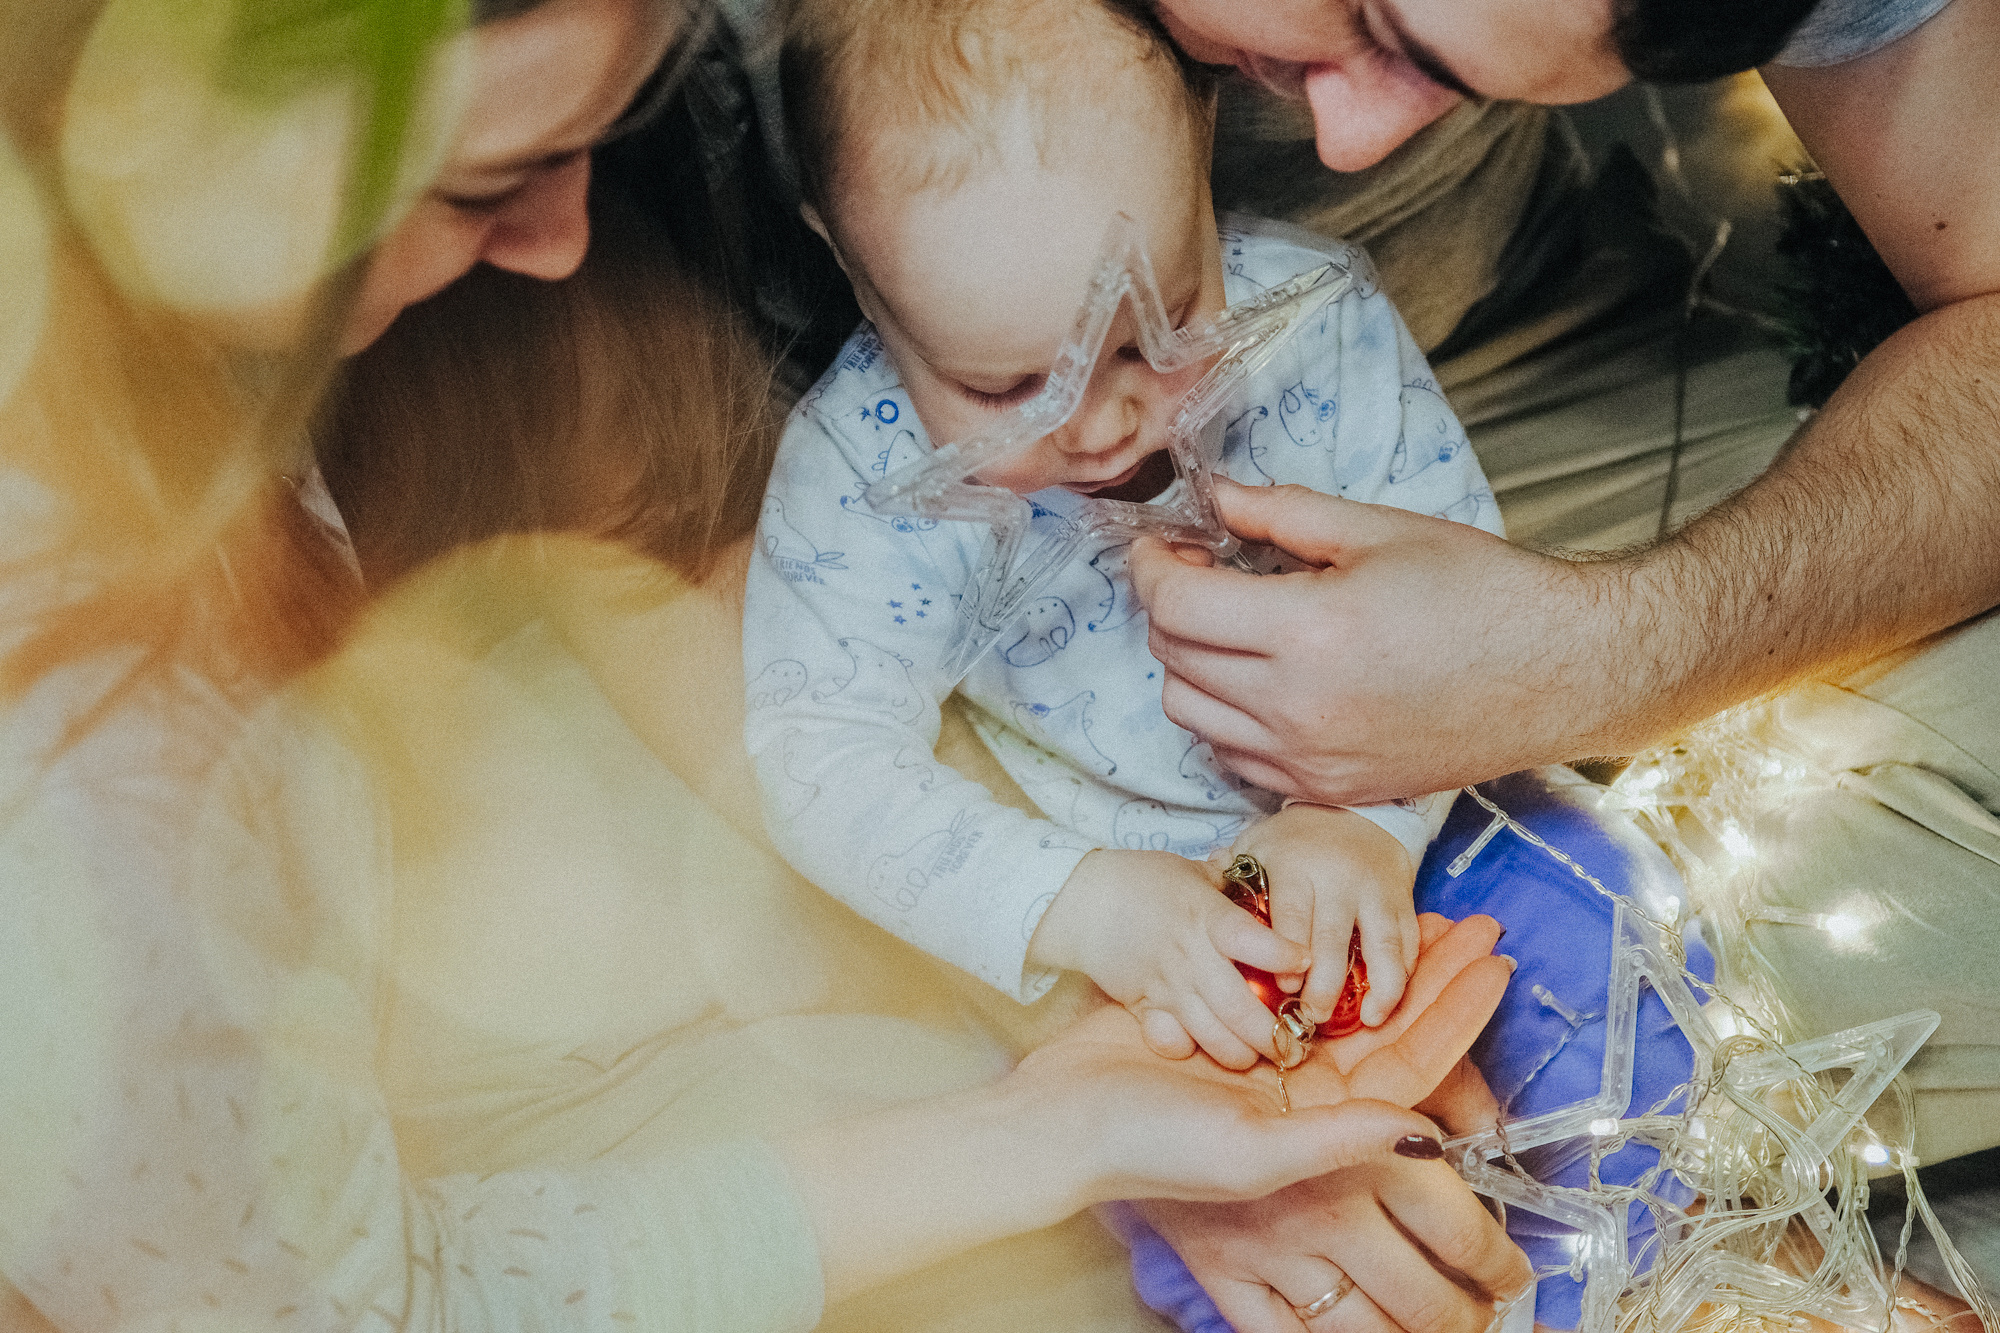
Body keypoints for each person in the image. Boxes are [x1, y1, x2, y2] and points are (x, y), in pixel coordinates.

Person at [0, 1, 1532, 1330]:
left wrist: (1096, 1061)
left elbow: (658, 541)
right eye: (487, 181)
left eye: (596, 139)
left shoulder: (461, 348)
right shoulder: (97, 776)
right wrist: (1058, 1110)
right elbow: (363, 1300)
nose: (562, 244)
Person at [1121, 0, 2000, 1171]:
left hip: (1495, 350)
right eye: (1370, 19)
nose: (1349, 140)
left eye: (1447, 84)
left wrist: (1606, 650)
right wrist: (1110, 1007)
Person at [747, 0, 1502, 1072]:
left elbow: (1469, 601)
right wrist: (1074, 904)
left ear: (1203, 134)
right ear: (842, 248)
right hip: (1132, 948)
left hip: (1426, 821)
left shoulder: (1315, 321)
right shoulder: (856, 479)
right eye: (1001, 386)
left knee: (1622, 989)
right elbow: (816, 753)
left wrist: (1364, 820)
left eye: (1162, 325)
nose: (1103, 427)